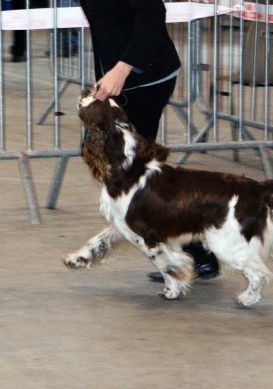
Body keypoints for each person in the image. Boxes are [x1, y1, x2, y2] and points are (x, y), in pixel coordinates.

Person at [80, 0, 220, 282]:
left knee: (136, 174)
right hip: (124, 78)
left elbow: (152, 13)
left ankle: (197, 253)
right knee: (135, 172)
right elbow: (107, 26)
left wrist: (121, 69)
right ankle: (196, 250)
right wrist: (106, 74)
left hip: (146, 75)